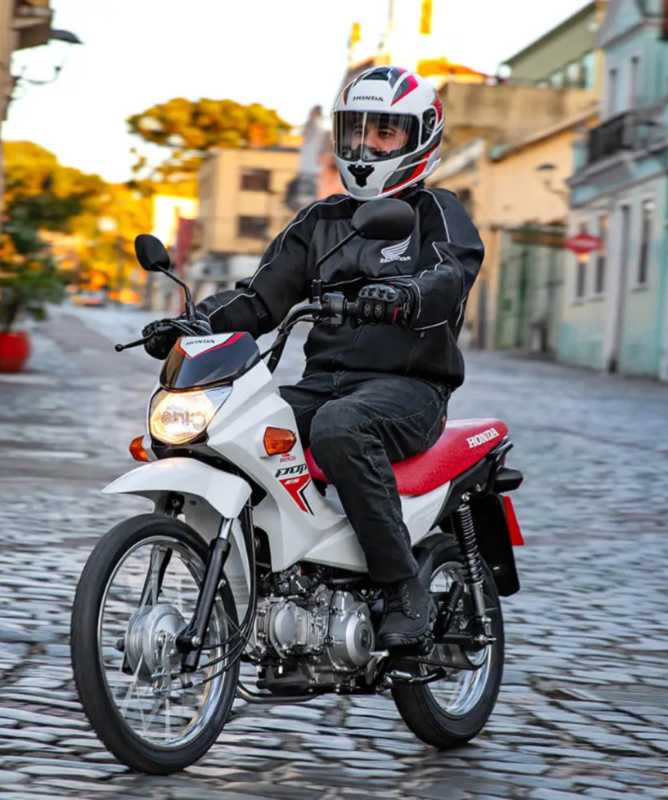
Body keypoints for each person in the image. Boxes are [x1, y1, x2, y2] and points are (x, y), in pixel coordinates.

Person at [142, 66, 485, 648]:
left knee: (339, 426)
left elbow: (449, 276)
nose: (367, 146)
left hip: (410, 388)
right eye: (357, 131)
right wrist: (193, 324)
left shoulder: (438, 212)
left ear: (421, 136)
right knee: (235, 425)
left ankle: (402, 586)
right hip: (324, 381)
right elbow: (260, 299)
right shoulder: (320, 221)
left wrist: (405, 296)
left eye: (385, 132)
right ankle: (274, 573)